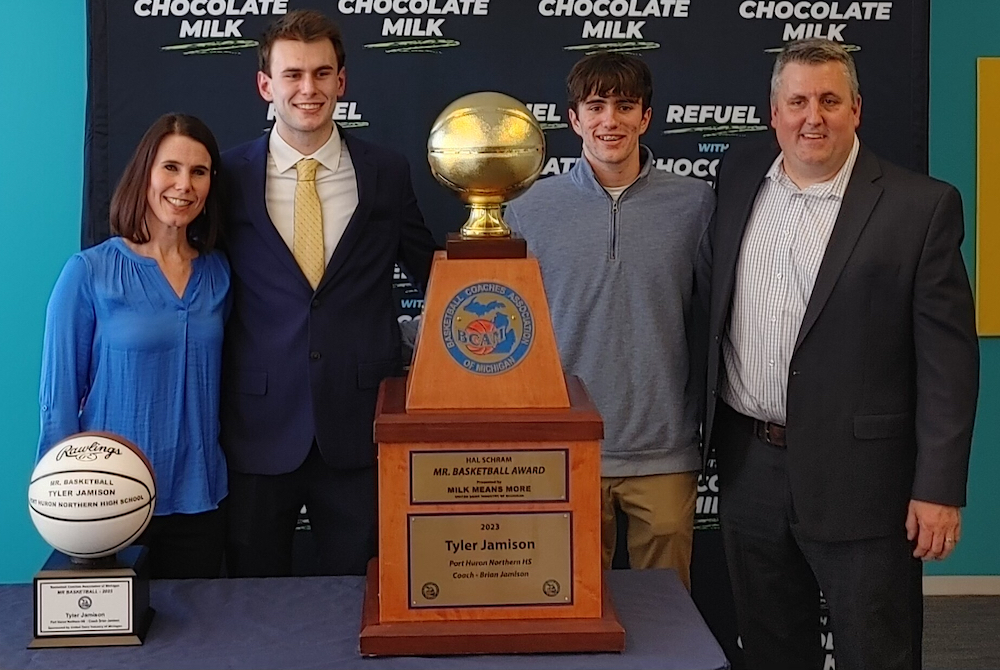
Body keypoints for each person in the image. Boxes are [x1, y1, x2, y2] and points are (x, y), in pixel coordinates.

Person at [703, 38, 979, 670]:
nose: (812, 117)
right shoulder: (739, 178)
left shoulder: (921, 206)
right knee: (772, 651)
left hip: (867, 483)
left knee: (877, 652)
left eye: (829, 100)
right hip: (752, 469)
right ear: (773, 113)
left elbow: (949, 364)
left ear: (857, 109)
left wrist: (938, 489)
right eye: (797, 101)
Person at [220, 9, 437, 577]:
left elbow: (434, 279)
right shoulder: (225, 176)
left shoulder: (386, 172)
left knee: (360, 595)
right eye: (292, 75)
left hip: (361, 423)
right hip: (256, 425)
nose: (307, 89)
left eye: (321, 74)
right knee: (253, 599)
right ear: (266, 84)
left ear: (342, 81)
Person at [505, 52, 715, 590]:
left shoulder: (696, 205)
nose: (610, 120)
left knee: (671, 614)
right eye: (595, 106)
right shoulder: (528, 209)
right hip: (567, 443)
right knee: (572, 607)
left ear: (646, 117)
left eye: (625, 106)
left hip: (665, 445)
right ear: (573, 119)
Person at [38, 113, 230, 579]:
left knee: (199, 644)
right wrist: (59, 498)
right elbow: (58, 401)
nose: (183, 185)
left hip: (199, 502)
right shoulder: (89, 273)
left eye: (198, 172)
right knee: (112, 653)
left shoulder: (219, 274)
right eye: (171, 168)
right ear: (145, 172)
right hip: (107, 503)